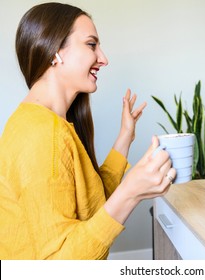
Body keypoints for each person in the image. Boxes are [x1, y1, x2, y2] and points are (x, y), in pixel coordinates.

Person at [0, 3, 176, 260]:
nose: (104, 58)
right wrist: (130, 193)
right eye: (92, 44)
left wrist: (125, 136)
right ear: (55, 51)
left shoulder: (46, 124)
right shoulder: (41, 135)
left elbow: (90, 203)